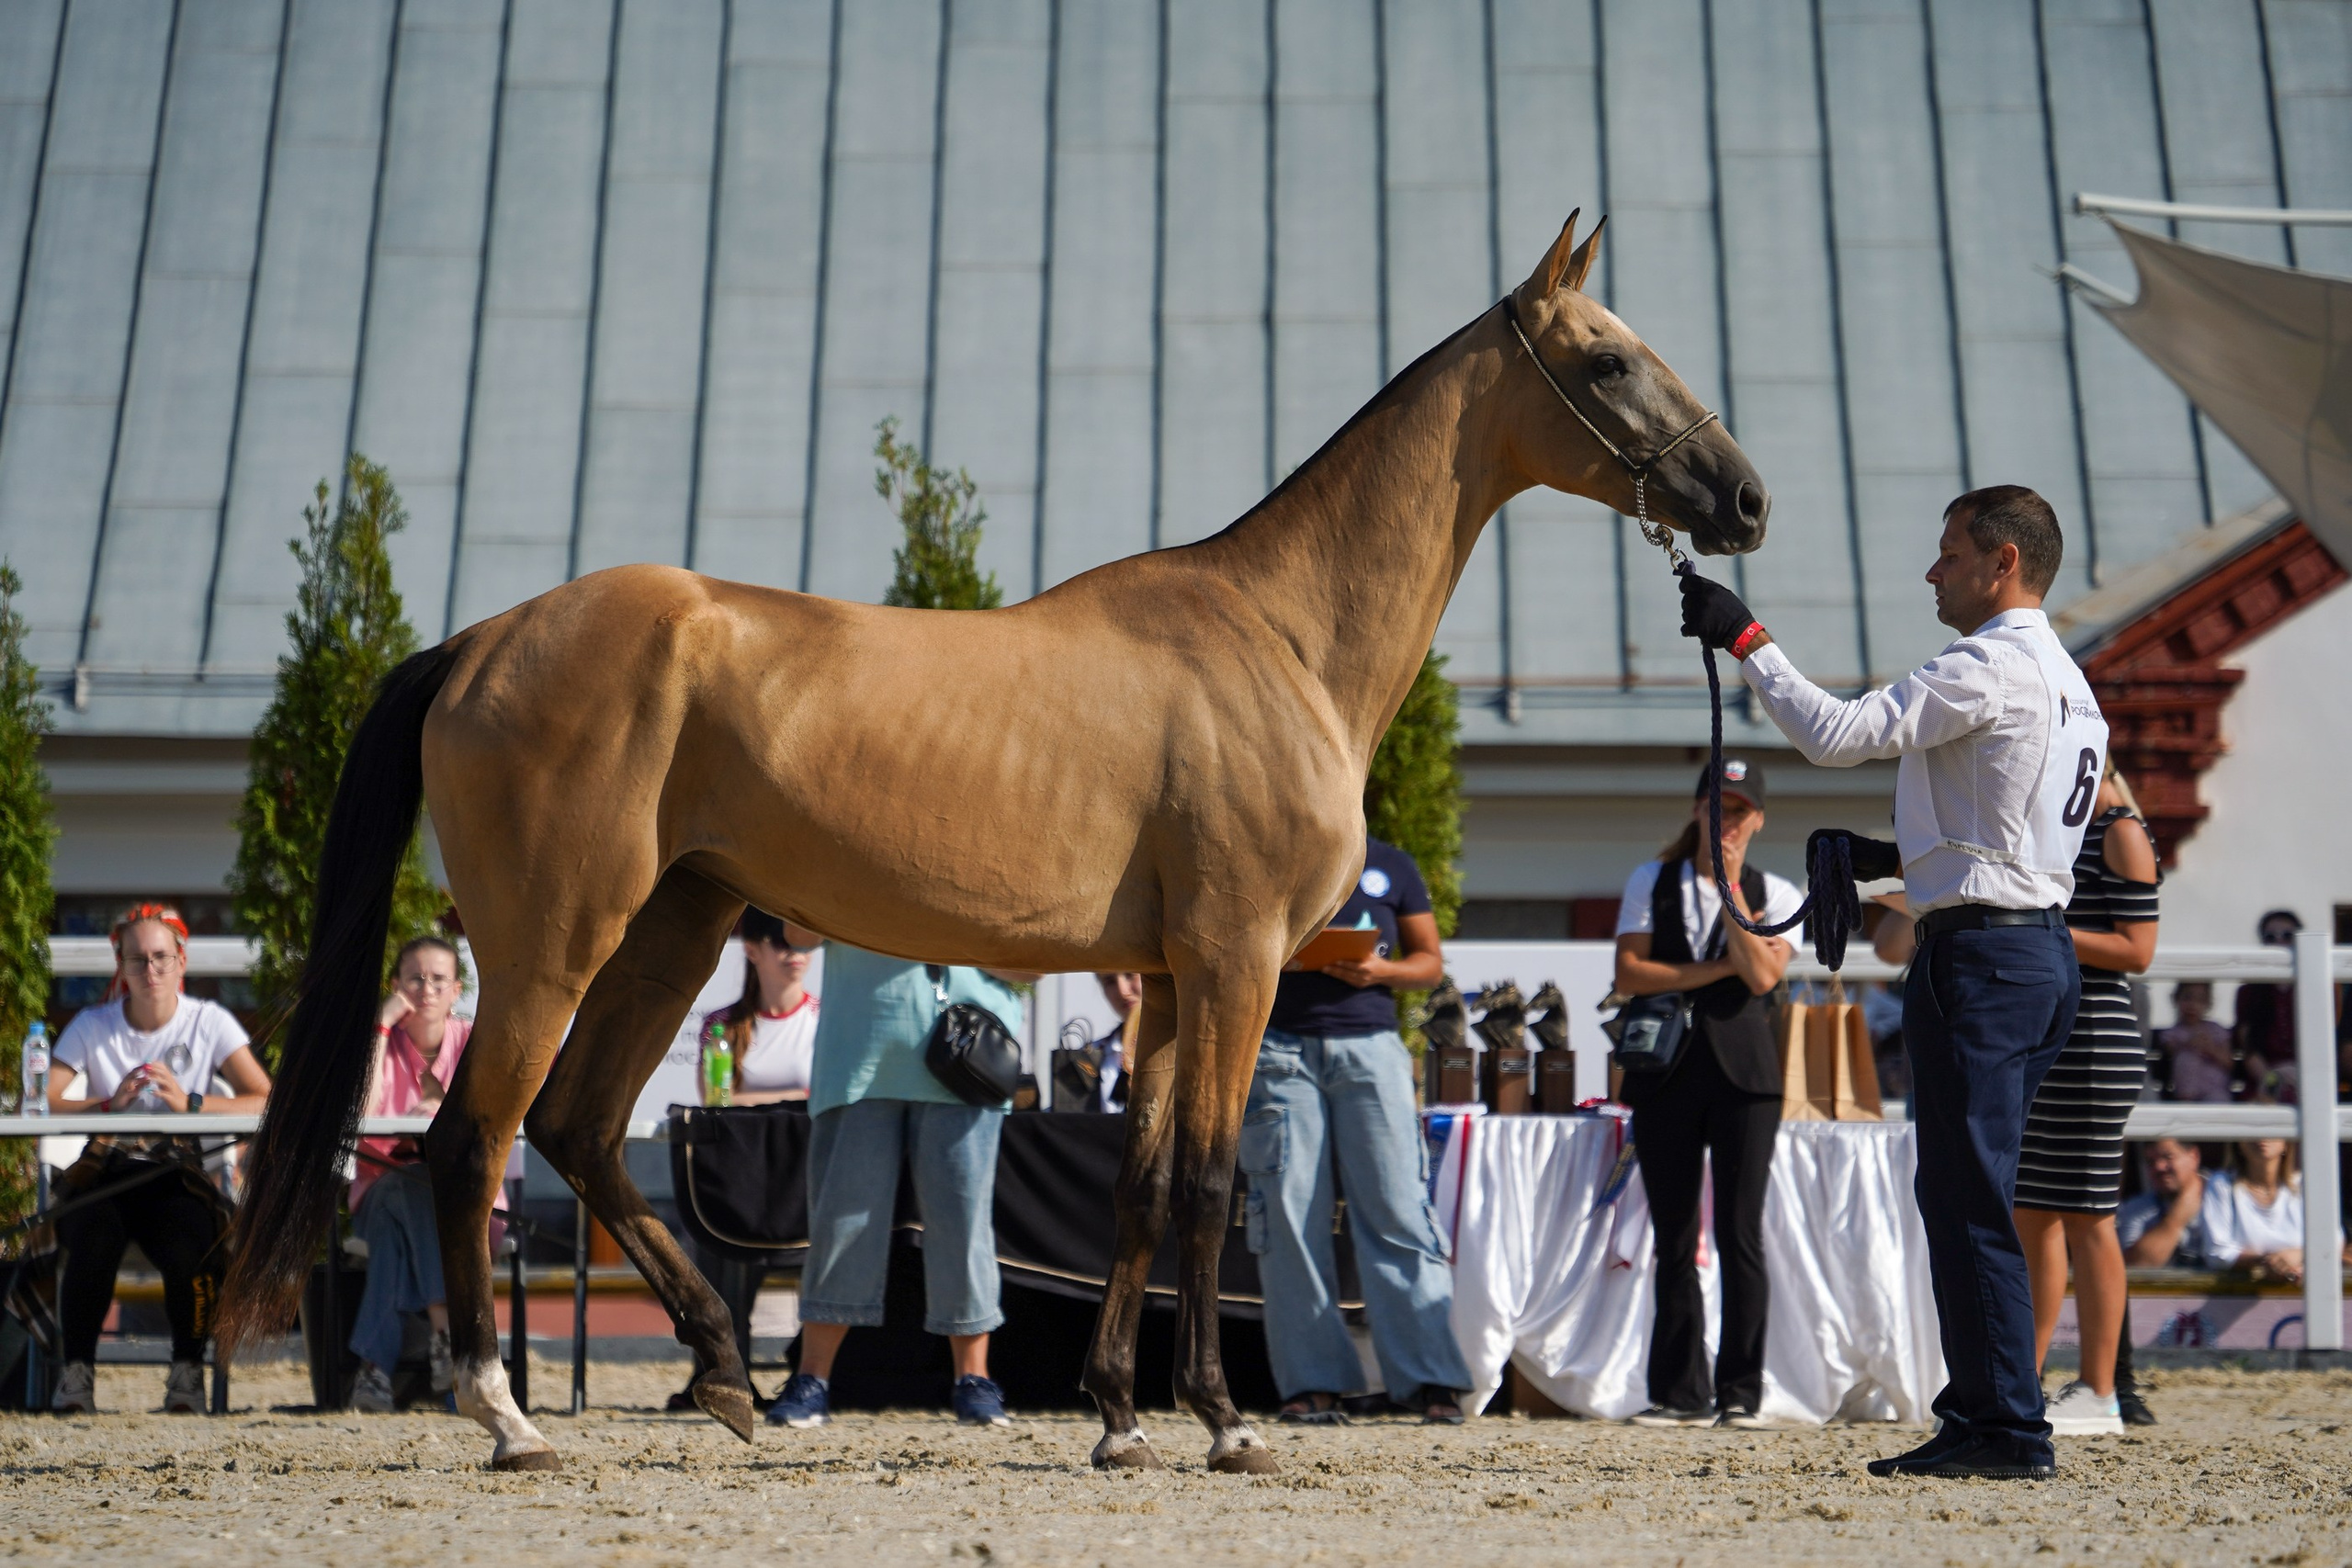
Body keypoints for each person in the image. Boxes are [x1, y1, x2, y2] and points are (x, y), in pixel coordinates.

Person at [1681, 483, 2106, 1480]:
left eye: (1949, 553)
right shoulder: (2066, 682)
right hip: (2031, 947)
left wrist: (1747, 639)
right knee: (1966, 1186)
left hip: (1984, 958)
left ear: (2002, 562)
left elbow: (1833, 736)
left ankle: (2005, 1424)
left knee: (1966, 1196)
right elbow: (2001, 833)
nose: (1933, 571)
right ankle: (1981, 1408)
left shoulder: (1986, 664)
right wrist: (1887, 852)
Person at [1241, 835, 1473, 1426]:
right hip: (1278, 1050)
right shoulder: (1274, 851)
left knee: (1398, 1207)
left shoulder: (1393, 862)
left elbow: (1430, 964)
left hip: (1371, 1048)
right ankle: (1314, 1383)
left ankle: (1429, 1380)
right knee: (1289, 1217)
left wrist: (1378, 971)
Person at [764, 942, 1035, 1430]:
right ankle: (811, 1379)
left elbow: (1033, 963)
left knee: (964, 1226)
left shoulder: (998, 863)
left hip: (967, 1053)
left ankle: (974, 1380)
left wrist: (952, 932)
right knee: (840, 1226)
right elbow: (794, 929)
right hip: (859, 1051)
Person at [1611, 760, 1803, 1429]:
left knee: (1740, 1231)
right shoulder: (1650, 879)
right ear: (1696, 809)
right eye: (1715, 807)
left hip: (1747, 1077)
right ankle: (1679, 1390)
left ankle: (1741, 1390)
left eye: (1738, 812)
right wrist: (1715, 965)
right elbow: (1630, 970)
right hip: (1665, 1071)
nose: (1725, 822)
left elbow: (1759, 976)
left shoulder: (1775, 890)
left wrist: (1728, 892)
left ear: (1756, 821)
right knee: (1673, 1233)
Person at [46, 904, 273, 1414]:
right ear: (120, 966)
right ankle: (77, 1376)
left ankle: (187, 1374)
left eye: (160, 958)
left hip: (177, 1169)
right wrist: (108, 1105)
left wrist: (191, 1104)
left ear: (181, 961)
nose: (150, 971)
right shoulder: (92, 1023)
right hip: (107, 1166)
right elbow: (45, 1101)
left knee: (195, 1240)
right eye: (137, 960)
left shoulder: (209, 1020)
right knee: (88, 1237)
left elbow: (265, 1098)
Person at [2013, 759, 2158, 1437]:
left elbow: (2138, 948)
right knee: (2034, 1212)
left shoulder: (2120, 831)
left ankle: (2101, 1387)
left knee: (2090, 1215)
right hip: (2053, 1036)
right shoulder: (2067, 833)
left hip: (2097, 1036)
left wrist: (2041, 931)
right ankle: (2026, 1374)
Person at [667, 911, 821, 1412]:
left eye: (803, 944)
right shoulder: (724, 1026)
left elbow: (825, 1098)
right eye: (781, 942)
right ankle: (724, 1372)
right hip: (743, 1179)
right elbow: (714, 1101)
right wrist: (789, 1099)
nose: (796, 954)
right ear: (752, 949)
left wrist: (756, 1103)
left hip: (804, 1183)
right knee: (719, 1246)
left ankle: (809, 1378)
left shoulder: (823, 1018)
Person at [349, 935, 498, 1414]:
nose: (426, 989)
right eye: (415, 979)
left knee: (402, 1204)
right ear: (396, 987)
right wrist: (379, 1025)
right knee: (402, 1186)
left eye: (438, 980)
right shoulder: (378, 1044)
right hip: (380, 1190)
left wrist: (447, 1112)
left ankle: (373, 1371)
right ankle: (448, 1336)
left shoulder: (475, 1043)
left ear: (457, 990)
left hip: (468, 1202)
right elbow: (363, 1124)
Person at [2203, 1137, 2349, 1281]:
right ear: (2238, 1143)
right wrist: (2266, 1261)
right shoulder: (2222, 1184)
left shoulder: (2307, 1184)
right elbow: (2217, 1253)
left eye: (2272, 1127)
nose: (2262, 1136)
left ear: (2287, 1143)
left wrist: (2300, 1255)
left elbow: (2333, 1240)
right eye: (2252, 1128)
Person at [2116, 1138, 2220, 1269]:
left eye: (2168, 1157)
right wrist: (2176, 1219)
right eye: (2150, 1162)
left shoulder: (2225, 1196)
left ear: (2194, 1156)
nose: (2159, 1167)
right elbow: (2133, 1267)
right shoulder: (2136, 1209)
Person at [1051, 973, 1139, 1112]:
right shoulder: (1091, 1055)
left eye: (1130, 975)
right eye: (1110, 981)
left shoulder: (1180, 1053)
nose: (1123, 991)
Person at [2155, 984, 2233, 1104]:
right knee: (2186, 1057)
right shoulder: (2173, 1032)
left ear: (2208, 1004)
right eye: (2187, 998)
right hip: (2185, 1094)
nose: (2192, 1005)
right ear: (2176, 999)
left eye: (2200, 1000)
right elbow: (2170, 1050)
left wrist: (2211, 1048)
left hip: (2214, 1092)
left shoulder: (2215, 1029)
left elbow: (2228, 1062)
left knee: (2218, 1102)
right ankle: (2186, 1103)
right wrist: (2188, 1044)